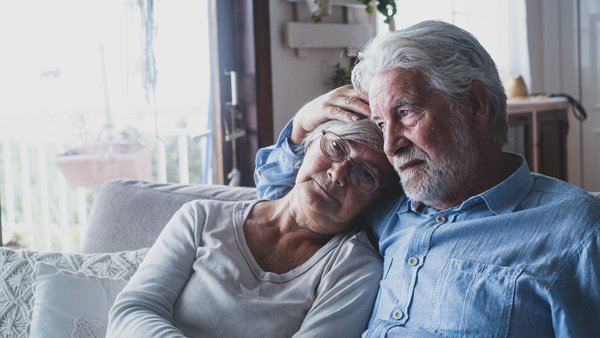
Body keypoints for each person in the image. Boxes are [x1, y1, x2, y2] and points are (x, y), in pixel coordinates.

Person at [254, 20, 600, 337]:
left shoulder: (576, 232)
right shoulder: (385, 207)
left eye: (405, 113)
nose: (390, 145)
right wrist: (301, 125)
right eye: (380, 124)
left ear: (476, 105)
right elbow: (285, 201)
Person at [107, 119, 398, 338]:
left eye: (365, 174)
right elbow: (132, 312)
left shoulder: (354, 267)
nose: (338, 173)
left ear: (376, 200)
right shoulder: (201, 218)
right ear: (310, 144)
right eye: (336, 147)